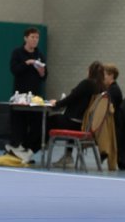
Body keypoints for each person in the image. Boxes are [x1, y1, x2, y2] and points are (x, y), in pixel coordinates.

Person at [47, 60, 105, 167]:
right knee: (63, 119)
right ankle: (68, 155)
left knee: (48, 121)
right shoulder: (101, 88)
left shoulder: (87, 83)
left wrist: (56, 104)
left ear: (90, 71)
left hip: (74, 123)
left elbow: (71, 98)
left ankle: (30, 149)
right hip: (85, 125)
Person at [6, 27, 48, 164]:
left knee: (35, 125)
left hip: (35, 97)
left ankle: (25, 152)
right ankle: (14, 150)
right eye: (32, 37)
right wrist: (27, 63)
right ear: (25, 38)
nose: (35, 40)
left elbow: (44, 76)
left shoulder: (40, 54)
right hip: (20, 96)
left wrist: (42, 72)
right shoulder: (17, 53)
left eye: (37, 37)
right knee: (19, 124)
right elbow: (14, 70)